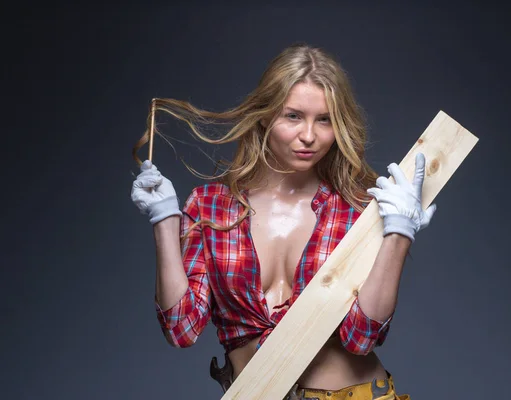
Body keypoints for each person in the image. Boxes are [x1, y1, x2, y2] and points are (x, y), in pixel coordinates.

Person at [130, 43, 436, 400]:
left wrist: (398, 233)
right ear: (264, 115)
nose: (309, 135)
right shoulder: (210, 207)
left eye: (325, 120)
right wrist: (164, 219)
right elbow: (182, 329)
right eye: (293, 116)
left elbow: (361, 337)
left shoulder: (355, 211)